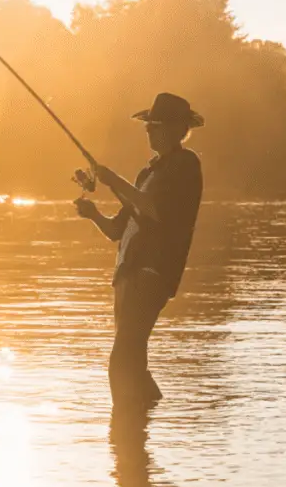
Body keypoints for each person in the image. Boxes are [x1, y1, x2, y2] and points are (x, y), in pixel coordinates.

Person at [74, 92, 204, 407]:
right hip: (129, 272)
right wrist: (93, 214)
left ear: (177, 129)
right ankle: (144, 419)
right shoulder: (147, 173)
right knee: (133, 357)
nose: (148, 131)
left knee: (121, 360)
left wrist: (112, 180)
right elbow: (119, 229)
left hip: (153, 272)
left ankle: (126, 438)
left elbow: (154, 211)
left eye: (155, 125)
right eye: (147, 125)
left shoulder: (186, 164)